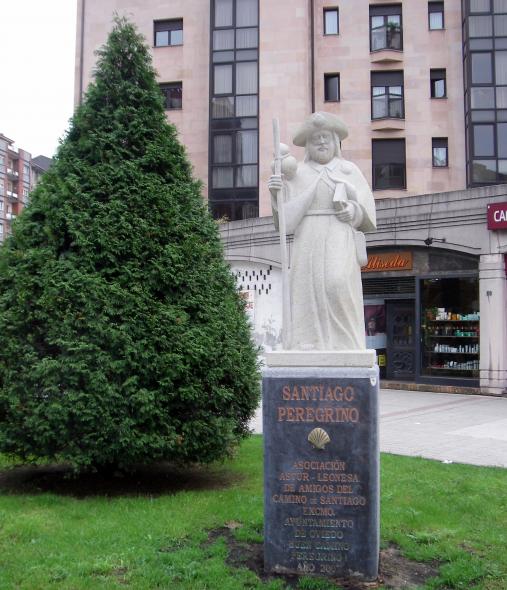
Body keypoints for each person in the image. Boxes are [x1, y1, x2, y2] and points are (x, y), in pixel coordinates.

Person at [268, 112, 376, 351]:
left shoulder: (349, 170)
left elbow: (366, 208)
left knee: (336, 282)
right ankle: (307, 340)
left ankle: (345, 342)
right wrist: (276, 192)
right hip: (308, 235)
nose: (321, 142)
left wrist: (353, 210)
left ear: (336, 141)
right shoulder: (297, 173)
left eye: (326, 137)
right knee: (306, 287)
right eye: (315, 138)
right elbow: (284, 218)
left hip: (339, 233)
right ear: (307, 144)